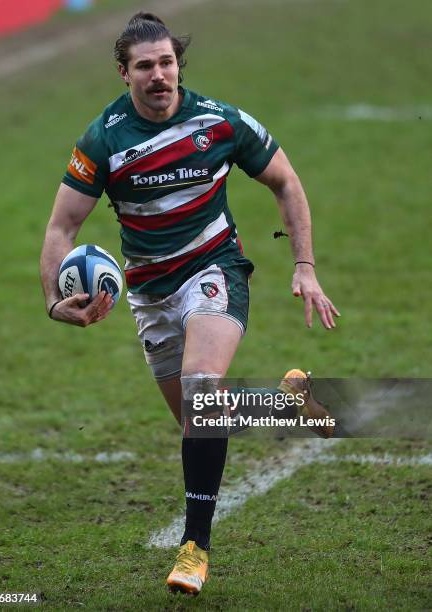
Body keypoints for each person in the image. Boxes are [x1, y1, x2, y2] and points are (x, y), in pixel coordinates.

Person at [40, 12, 340, 596]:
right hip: (150, 293)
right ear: (124, 73)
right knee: (199, 422)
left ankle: (195, 547)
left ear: (179, 63)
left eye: (167, 62)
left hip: (214, 269)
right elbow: (61, 229)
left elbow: (286, 181)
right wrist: (55, 301)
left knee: (204, 389)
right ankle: (286, 406)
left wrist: (304, 266)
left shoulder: (219, 122)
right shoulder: (103, 139)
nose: (159, 75)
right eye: (145, 66)